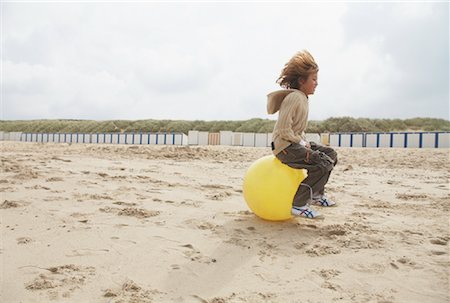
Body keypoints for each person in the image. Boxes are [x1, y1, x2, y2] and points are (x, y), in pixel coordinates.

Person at [267, 50, 337, 219]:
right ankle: (298, 204)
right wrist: (301, 142)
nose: (316, 84)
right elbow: (283, 130)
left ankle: (316, 195)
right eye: (313, 80)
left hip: (294, 143)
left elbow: (296, 128)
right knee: (322, 163)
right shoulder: (294, 98)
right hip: (285, 148)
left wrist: (303, 141)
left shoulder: (303, 98)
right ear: (301, 80)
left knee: (330, 154)